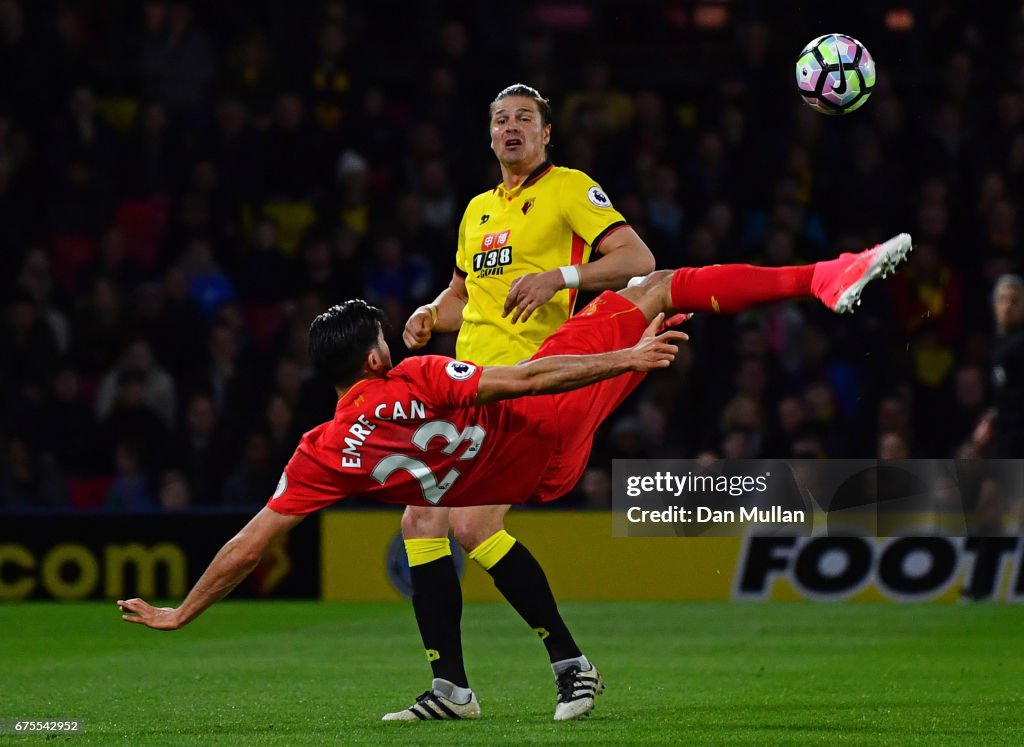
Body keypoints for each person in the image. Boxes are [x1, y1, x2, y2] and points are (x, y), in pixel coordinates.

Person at [118, 233, 912, 721]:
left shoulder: (320, 452)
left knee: (435, 515)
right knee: (661, 287)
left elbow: (252, 542)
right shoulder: (419, 376)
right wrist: (628, 360)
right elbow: (527, 383)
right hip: (549, 426)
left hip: (523, 479)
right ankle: (821, 275)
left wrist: (183, 610)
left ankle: (490, 679)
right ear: (372, 357)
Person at [397, 83, 655, 722]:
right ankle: (452, 690)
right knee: (422, 521)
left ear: (545, 135)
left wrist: (560, 278)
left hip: (532, 381)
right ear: (489, 137)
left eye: (524, 119)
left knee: (471, 524)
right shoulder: (478, 209)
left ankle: (571, 667)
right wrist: (431, 314)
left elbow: (637, 259)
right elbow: (464, 297)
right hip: (467, 384)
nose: (511, 128)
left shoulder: (569, 187)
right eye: (500, 120)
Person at [962, 274, 1024, 600]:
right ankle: (983, 586)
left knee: (992, 512)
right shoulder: (1001, 345)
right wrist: (991, 419)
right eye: (1003, 299)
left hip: (1016, 441)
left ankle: (981, 587)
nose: (1008, 306)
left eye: (1015, 300)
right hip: (1007, 438)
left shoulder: (1018, 344)